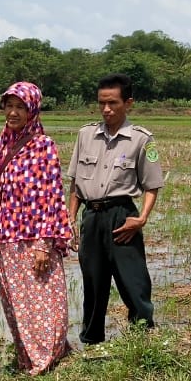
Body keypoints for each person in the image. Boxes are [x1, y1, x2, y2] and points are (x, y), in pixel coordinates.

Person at [0, 82, 74, 374]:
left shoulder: (44, 146)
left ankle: (47, 359)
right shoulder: (2, 143)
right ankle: (27, 359)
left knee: (45, 302)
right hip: (7, 237)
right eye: (9, 106)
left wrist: (45, 243)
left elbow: (52, 196)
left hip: (35, 238)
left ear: (32, 110)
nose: (13, 112)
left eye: (20, 106)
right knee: (16, 304)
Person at [67, 73, 163, 346]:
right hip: (92, 216)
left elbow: (152, 185)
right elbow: (75, 182)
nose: (106, 109)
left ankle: (143, 336)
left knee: (134, 281)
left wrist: (141, 219)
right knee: (93, 283)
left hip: (122, 217)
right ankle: (91, 340)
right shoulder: (86, 135)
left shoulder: (141, 139)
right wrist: (70, 219)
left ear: (128, 103)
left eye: (113, 103)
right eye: (101, 103)